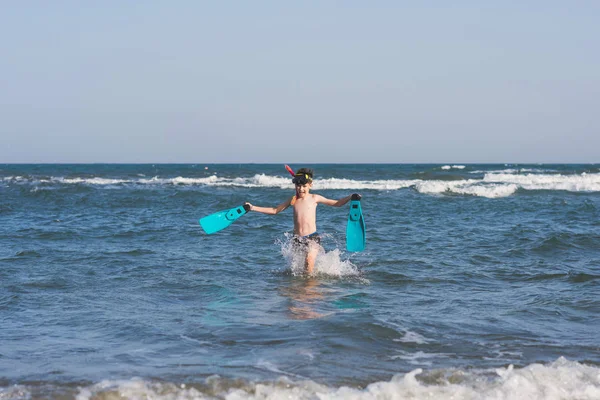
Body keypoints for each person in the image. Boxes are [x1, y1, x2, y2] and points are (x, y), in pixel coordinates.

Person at [244, 168, 360, 275]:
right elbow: (275, 210)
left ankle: (309, 289)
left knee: (309, 261)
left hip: (312, 238)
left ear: (310, 185)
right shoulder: (293, 200)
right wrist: (253, 207)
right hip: (297, 239)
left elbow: (337, 203)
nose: (301, 189)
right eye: (298, 186)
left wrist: (350, 197)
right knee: (297, 270)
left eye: (304, 186)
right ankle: (301, 289)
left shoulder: (315, 198)